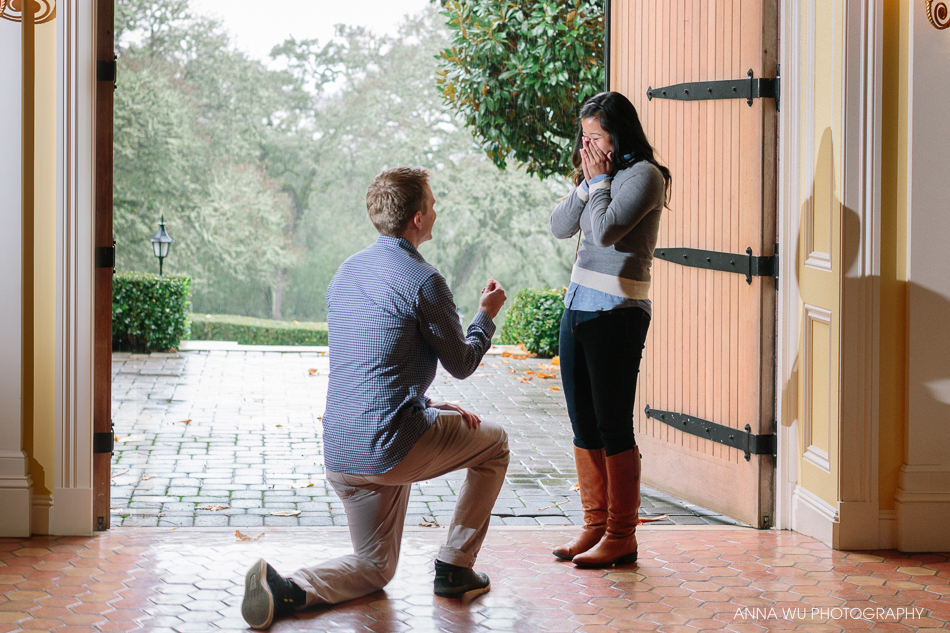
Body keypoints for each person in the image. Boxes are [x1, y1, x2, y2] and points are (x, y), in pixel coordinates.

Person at [241, 167, 509, 629]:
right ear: (419, 219)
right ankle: (455, 567)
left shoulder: (345, 273)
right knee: (496, 443)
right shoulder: (425, 280)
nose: (437, 211)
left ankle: (284, 587)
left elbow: (373, 364)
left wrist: (425, 404)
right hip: (390, 449)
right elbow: (462, 364)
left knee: (375, 567)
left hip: (340, 450)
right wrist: (485, 316)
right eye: (433, 203)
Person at [549, 91, 671, 569]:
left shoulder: (645, 176)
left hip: (617, 312)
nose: (588, 145)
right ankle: (594, 525)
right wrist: (585, 185)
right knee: (582, 422)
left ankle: (622, 534)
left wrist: (597, 183)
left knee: (612, 423)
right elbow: (561, 226)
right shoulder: (598, 177)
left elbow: (604, 232)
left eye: (596, 136)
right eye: (584, 137)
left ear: (618, 135)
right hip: (577, 306)